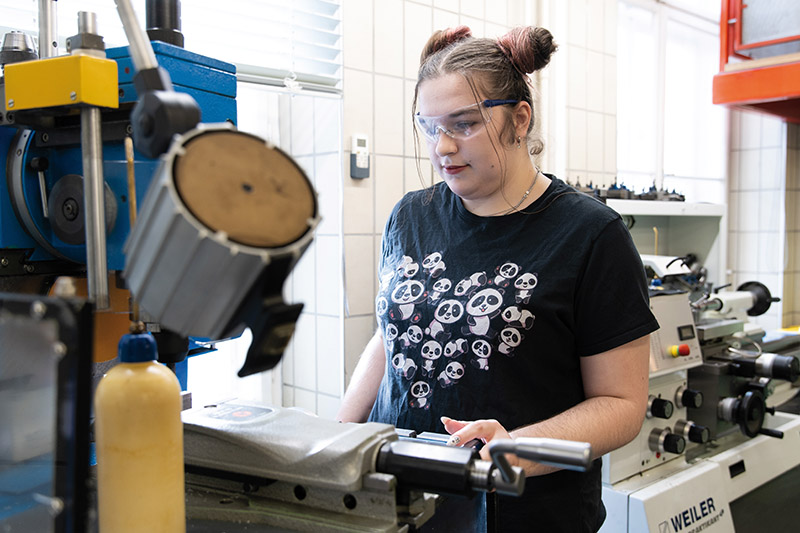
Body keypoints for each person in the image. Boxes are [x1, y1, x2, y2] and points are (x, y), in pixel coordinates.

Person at [336, 25, 659, 533]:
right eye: (427, 127)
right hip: (400, 503)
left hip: (526, 510)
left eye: (463, 124)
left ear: (519, 119)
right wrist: (339, 442)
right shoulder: (410, 216)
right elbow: (391, 333)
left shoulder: (590, 234)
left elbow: (621, 405)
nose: (442, 146)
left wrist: (515, 448)